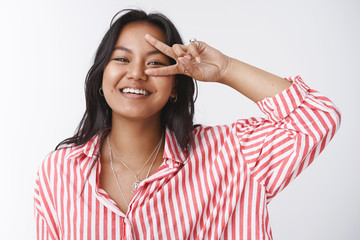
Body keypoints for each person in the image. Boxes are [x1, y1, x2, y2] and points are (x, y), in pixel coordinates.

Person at [34, 9, 341, 240]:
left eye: (155, 62)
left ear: (176, 87)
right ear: (102, 77)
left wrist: (226, 69)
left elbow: (315, 117)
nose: (137, 74)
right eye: (122, 59)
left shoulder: (232, 155)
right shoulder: (59, 172)